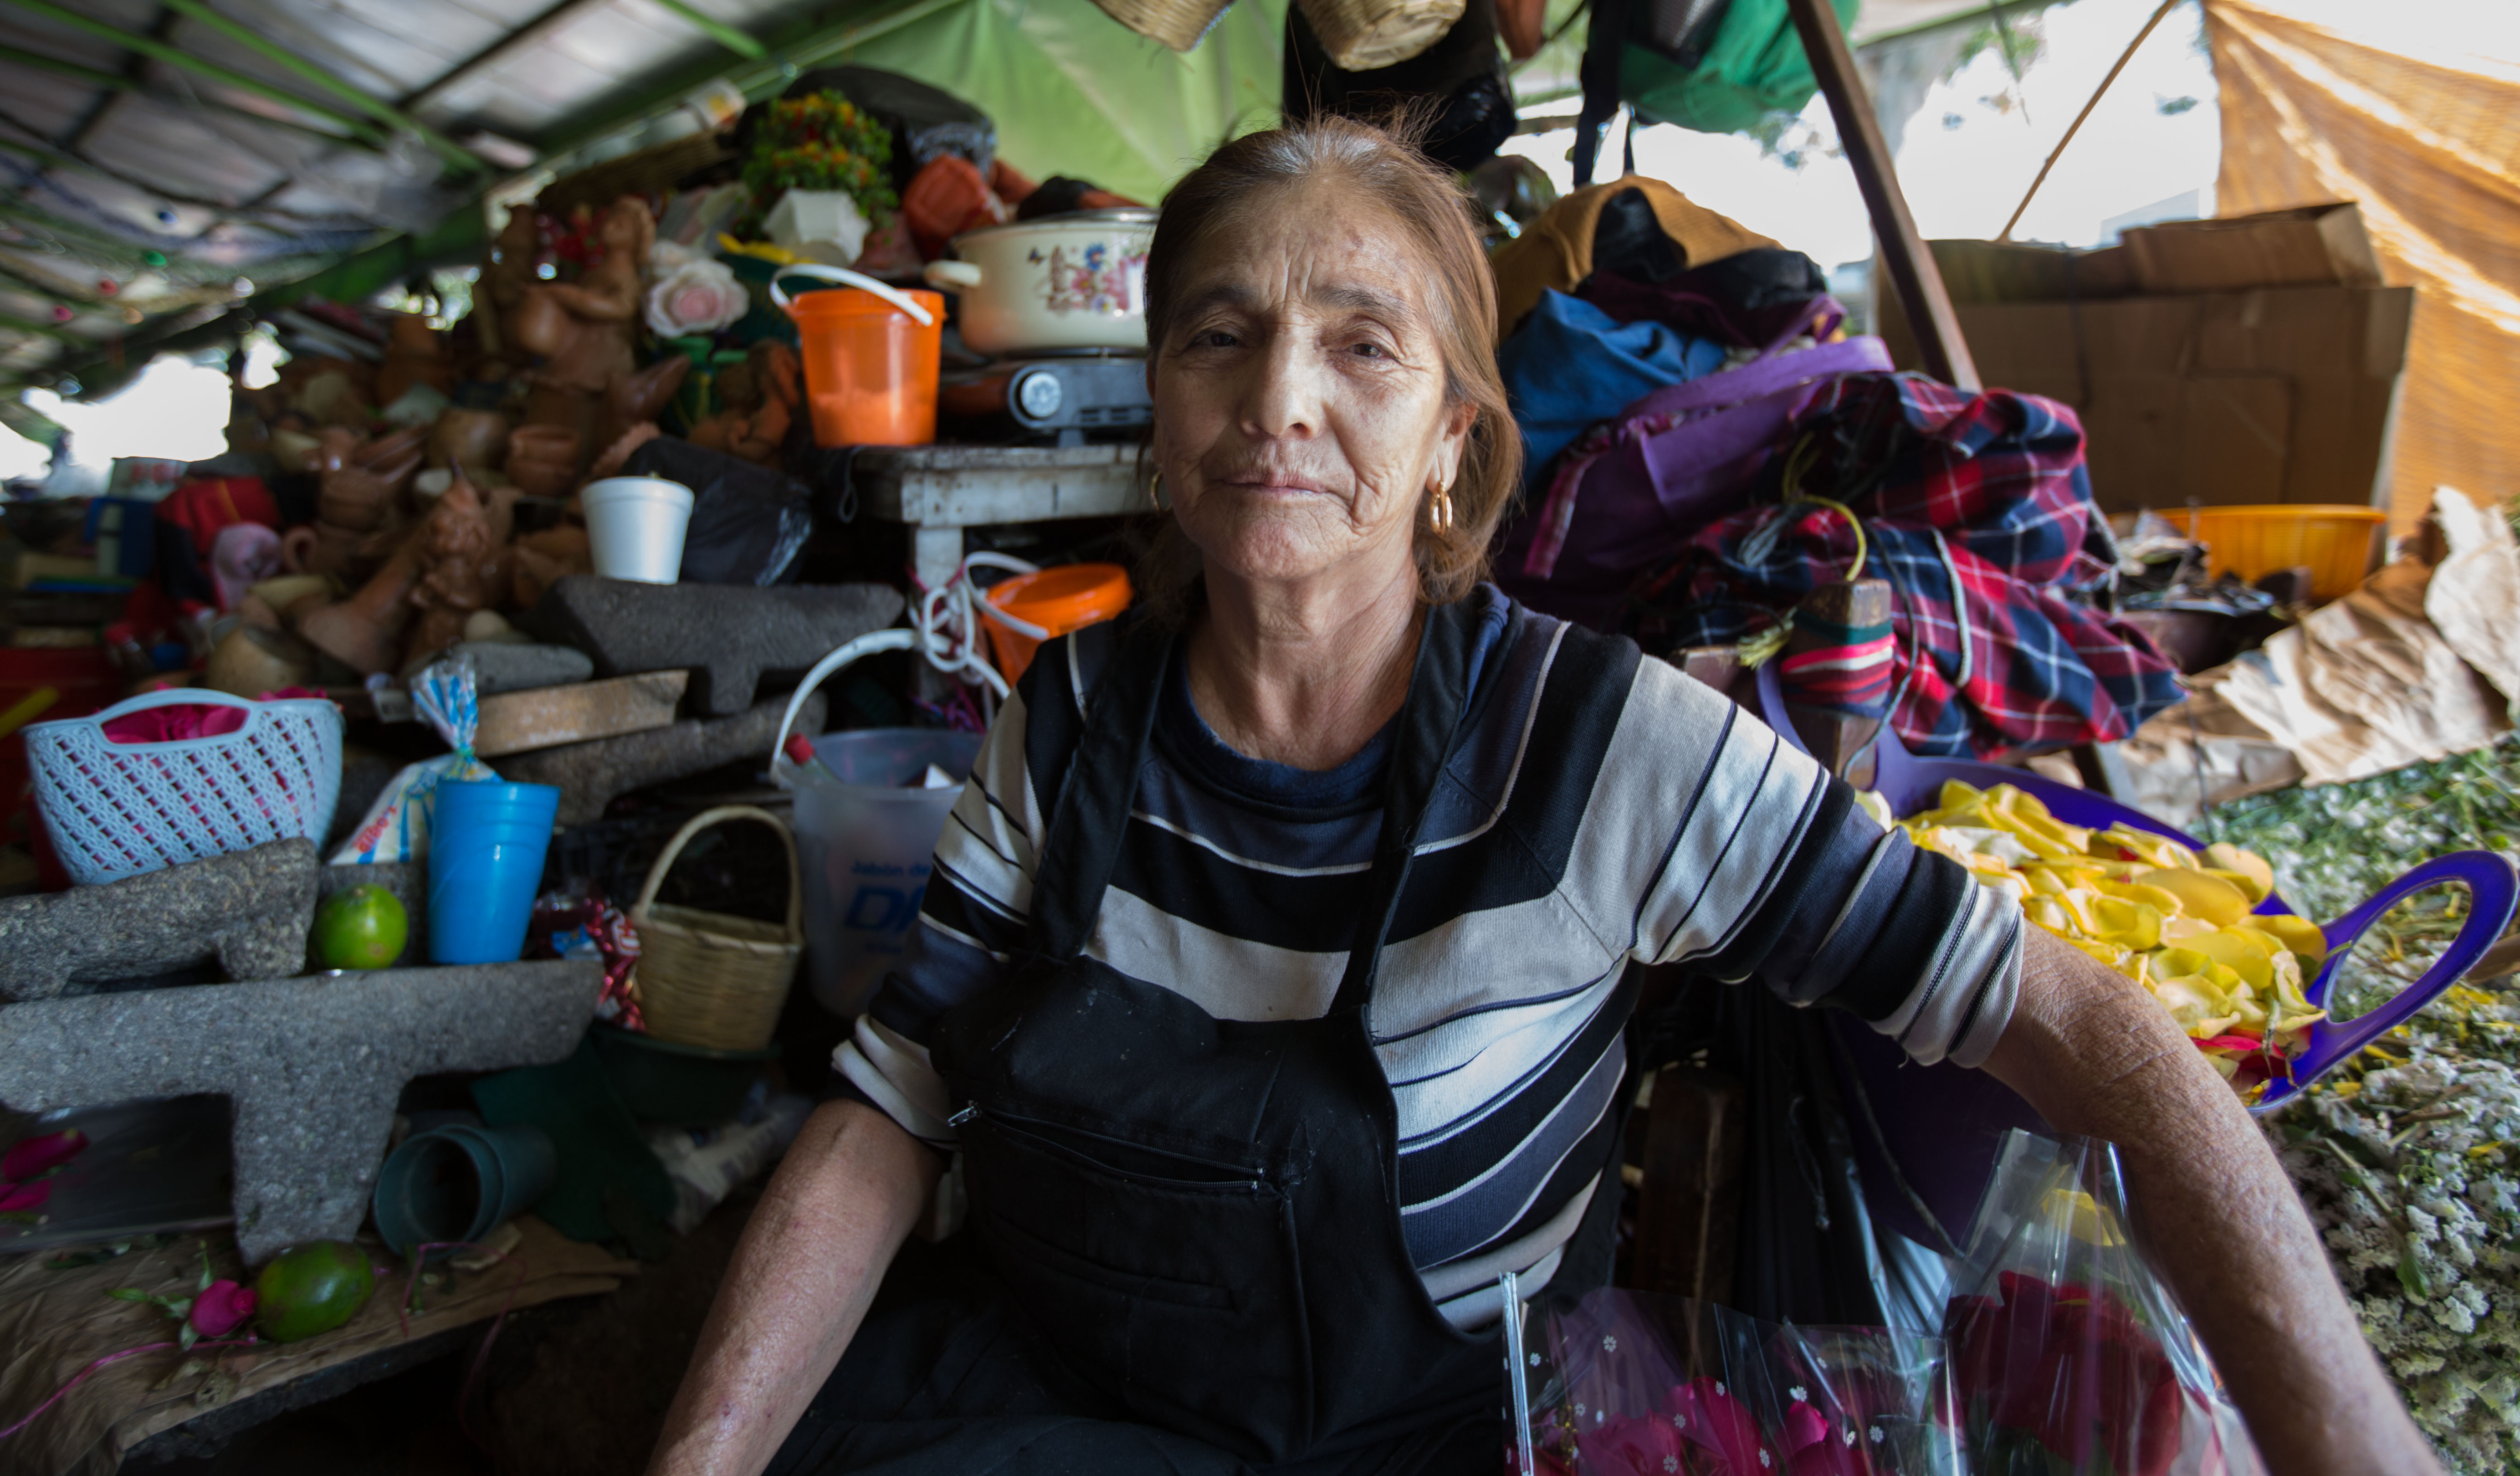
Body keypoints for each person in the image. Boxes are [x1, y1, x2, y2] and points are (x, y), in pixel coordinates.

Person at [649, 118, 2436, 1476]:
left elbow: (2082, 1030)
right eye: (1220, 336)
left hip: (1430, 1440)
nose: (1280, 398)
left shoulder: (1602, 751)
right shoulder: (1075, 721)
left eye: (1364, 347)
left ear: (1453, 448)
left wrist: (2352, 1442)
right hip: (1079, 1399)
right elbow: (888, 1118)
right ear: (1159, 405)